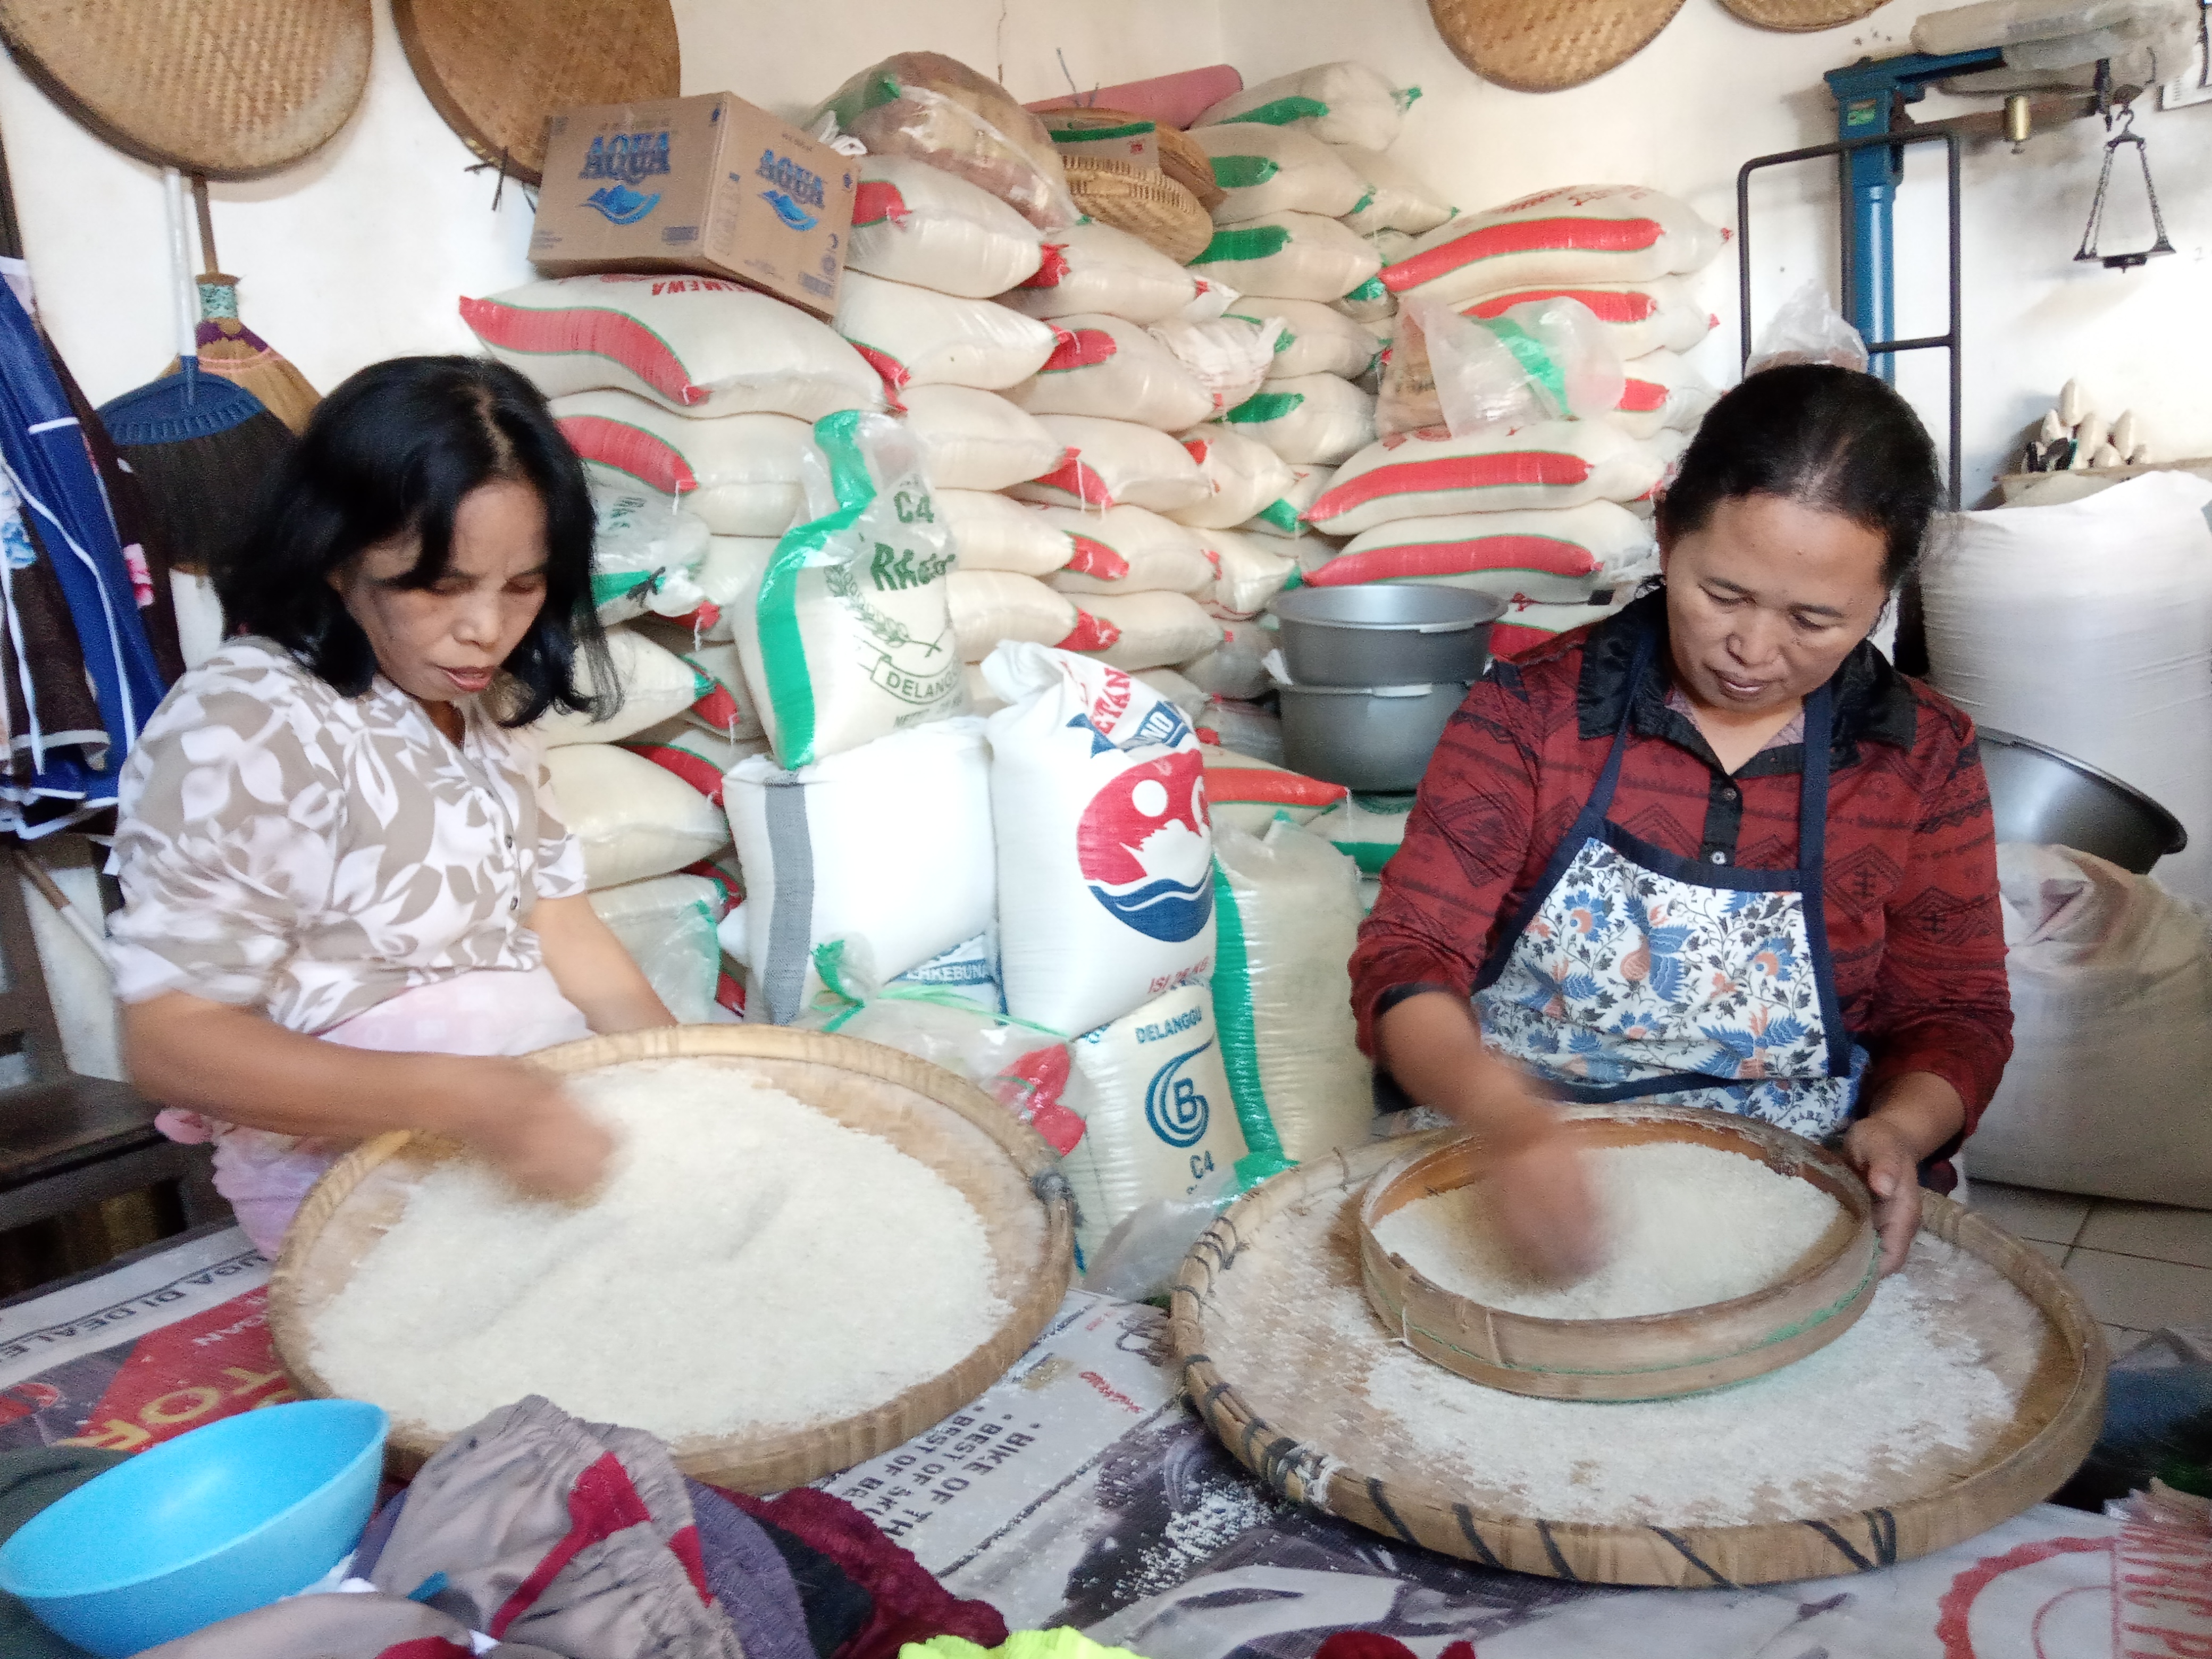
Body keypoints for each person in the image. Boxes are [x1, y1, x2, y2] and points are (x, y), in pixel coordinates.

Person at [1351, 364, 2011, 1282]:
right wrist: (1507, 1121)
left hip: (1798, 1177)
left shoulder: (1920, 755)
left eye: (1815, 620)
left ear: (1885, 598)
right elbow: (1409, 955)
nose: (1753, 649)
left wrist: (1899, 1131)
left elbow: (1955, 1012)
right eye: (1723, 594)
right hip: (1510, 1152)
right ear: (1666, 532)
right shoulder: (1534, 715)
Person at [110, 356, 676, 1255]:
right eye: (439, 585)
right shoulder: (251, 721)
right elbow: (172, 1042)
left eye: (522, 586)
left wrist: (687, 1081)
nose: (486, 630)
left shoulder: (483, 707)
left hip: (522, 1132)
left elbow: (558, 920)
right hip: (353, 1179)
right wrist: (470, 1098)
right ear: (337, 558)